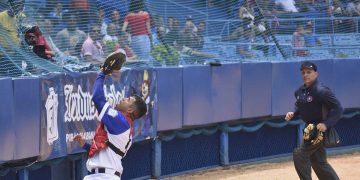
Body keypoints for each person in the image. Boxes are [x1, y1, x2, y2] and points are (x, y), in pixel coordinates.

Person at [74, 50, 147, 179]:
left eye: (128, 100)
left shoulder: (120, 121)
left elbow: (97, 98)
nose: (124, 99)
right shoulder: (124, 126)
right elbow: (105, 152)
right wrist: (85, 145)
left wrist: (102, 73)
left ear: (130, 110)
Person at [285, 61, 343, 180]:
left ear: (316, 74)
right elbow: (299, 104)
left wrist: (326, 124)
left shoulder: (322, 91)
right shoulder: (299, 91)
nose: (306, 75)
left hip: (319, 130)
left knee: (300, 154)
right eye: (303, 72)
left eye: (309, 72)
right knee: (318, 162)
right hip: (309, 129)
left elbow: (338, 108)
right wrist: (293, 112)